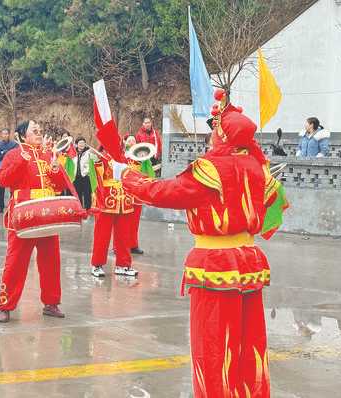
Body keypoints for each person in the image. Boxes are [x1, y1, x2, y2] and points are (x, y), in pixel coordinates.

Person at [117, 94, 285, 397]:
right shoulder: (259, 167)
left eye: (214, 129)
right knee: (249, 345)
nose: (210, 134)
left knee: (213, 347)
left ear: (221, 133)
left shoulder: (210, 169)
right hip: (248, 260)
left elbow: (164, 192)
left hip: (215, 263)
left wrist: (127, 178)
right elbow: (274, 206)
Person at [0, 120, 73, 323]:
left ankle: (51, 303)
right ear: (22, 136)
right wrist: (20, 161)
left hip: (47, 214)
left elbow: (60, 185)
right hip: (23, 215)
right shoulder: (14, 154)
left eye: (40, 130)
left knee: (51, 260)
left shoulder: (48, 154)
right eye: (34, 131)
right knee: (15, 261)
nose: (39, 133)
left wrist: (56, 166)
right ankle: (6, 305)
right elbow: (3, 180)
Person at [89, 146, 139, 278]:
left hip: (124, 200)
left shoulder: (126, 157)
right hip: (106, 200)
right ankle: (97, 264)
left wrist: (137, 161)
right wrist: (96, 161)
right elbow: (96, 176)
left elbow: (133, 174)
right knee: (102, 235)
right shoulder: (102, 157)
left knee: (124, 235)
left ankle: (123, 265)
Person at [0, 128, 17, 214]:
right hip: (2, 167)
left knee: (12, 188)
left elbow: (15, 154)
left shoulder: (14, 144)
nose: (5, 135)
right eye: (3, 134)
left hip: (11, 167)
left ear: (9, 134)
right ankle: (0, 207)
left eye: (6, 134)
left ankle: (12, 206)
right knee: (1, 188)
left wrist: (4, 152)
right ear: (1, 135)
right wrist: (6, 152)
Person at [73, 138, 97, 209]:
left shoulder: (88, 152)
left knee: (87, 194)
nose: (81, 144)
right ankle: (80, 209)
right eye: (80, 143)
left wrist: (94, 154)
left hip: (85, 176)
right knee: (78, 194)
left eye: (83, 143)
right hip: (76, 177)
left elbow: (96, 160)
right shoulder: (73, 153)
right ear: (76, 144)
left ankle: (88, 209)